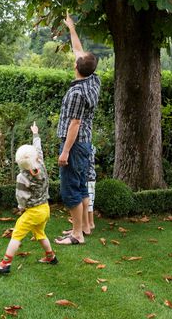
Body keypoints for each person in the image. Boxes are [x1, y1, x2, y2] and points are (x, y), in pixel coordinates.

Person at [55, 13, 100, 246]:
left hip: (74, 144)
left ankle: (76, 235)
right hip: (85, 144)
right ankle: (82, 227)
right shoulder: (94, 80)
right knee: (81, 186)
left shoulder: (76, 93)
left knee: (70, 189)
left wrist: (64, 152)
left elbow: (74, 124)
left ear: (76, 67)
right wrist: (71, 28)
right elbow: (78, 50)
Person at [0, 122, 56, 274]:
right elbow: (38, 150)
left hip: (33, 212)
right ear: (36, 157)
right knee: (40, 233)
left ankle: (5, 264)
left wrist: (21, 208)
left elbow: (21, 196)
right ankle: (50, 256)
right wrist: (35, 134)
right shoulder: (41, 165)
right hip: (45, 208)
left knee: (17, 234)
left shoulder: (22, 176)